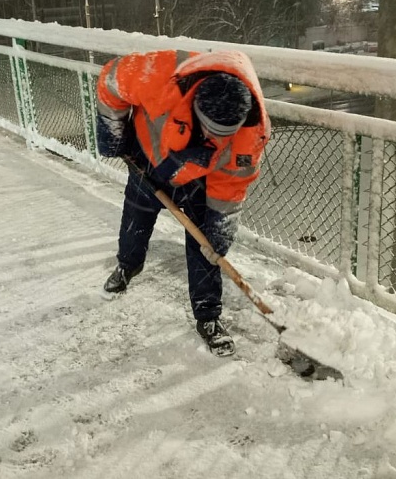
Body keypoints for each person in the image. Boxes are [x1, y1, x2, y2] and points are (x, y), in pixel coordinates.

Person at [96, 49, 270, 357]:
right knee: (136, 216)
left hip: (201, 180)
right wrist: (113, 130)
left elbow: (230, 186)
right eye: (211, 132)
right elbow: (110, 80)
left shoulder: (251, 135)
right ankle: (127, 266)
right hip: (147, 154)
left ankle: (208, 315)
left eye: (224, 137)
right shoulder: (160, 73)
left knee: (206, 244)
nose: (218, 141)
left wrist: (220, 232)